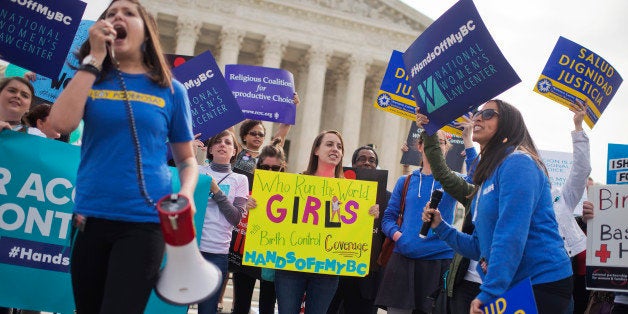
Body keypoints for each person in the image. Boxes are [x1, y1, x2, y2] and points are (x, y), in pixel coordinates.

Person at [47, 1, 199, 313]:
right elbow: (59, 125)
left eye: (128, 13)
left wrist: (186, 191)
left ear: (147, 32)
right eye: (110, 14)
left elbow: (186, 159)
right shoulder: (90, 79)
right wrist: (93, 60)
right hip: (89, 218)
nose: (117, 17)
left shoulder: (172, 90)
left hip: (143, 223)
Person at [422, 99, 573, 314]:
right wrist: (441, 226)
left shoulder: (518, 162)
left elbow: (511, 233)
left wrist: (491, 291)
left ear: (508, 124)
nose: (477, 119)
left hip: (540, 283)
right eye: (477, 114)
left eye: (488, 114)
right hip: (511, 284)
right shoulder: (487, 178)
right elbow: (479, 246)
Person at [374, 130, 459, 314]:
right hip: (403, 261)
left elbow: (479, 178)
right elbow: (388, 218)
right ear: (420, 146)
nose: (436, 146)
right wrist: (399, 236)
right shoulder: (405, 181)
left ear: (446, 148)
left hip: (439, 263)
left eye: (441, 143)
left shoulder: (454, 181)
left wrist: (468, 144)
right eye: (431, 141)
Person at [274, 130, 345, 314]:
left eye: (339, 146)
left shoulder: (349, 192)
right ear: (316, 150)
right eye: (329, 144)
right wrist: (256, 205)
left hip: (327, 269)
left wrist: (368, 214)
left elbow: (344, 228)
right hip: (291, 265)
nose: (335, 149)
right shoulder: (297, 182)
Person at [417, 112, 479, 314]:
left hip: (498, 284)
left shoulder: (514, 196)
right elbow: (444, 172)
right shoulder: (475, 193)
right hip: (465, 279)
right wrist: (429, 129)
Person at [327, 146, 390, 314]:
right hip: (336, 269)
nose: (367, 163)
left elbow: (389, 232)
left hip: (367, 275)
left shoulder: (387, 197)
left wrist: (379, 218)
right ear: (353, 164)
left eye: (372, 160)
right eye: (362, 159)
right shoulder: (335, 189)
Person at [232, 138, 287, 314]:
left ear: (282, 167)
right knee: (240, 304)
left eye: (275, 168)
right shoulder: (246, 184)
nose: (269, 172)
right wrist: (243, 205)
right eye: (265, 168)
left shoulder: (291, 189)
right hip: (246, 252)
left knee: (267, 307)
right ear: (257, 167)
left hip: (273, 256)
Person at [197, 130, 248, 314]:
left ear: (234, 151)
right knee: (178, 307)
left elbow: (236, 218)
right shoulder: (197, 171)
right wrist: (187, 150)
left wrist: (217, 191)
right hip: (191, 249)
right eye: (218, 141)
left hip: (217, 253)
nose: (222, 145)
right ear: (210, 149)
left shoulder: (240, 180)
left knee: (207, 310)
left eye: (228, 142)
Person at [232, 93, 299, 174]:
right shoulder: (236, 152)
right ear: (244, 137)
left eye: (261, 134)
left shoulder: (269, 155)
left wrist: (292, 107)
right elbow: (229, 128)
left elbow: (283, 129)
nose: (257, 136)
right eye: (253, 133)